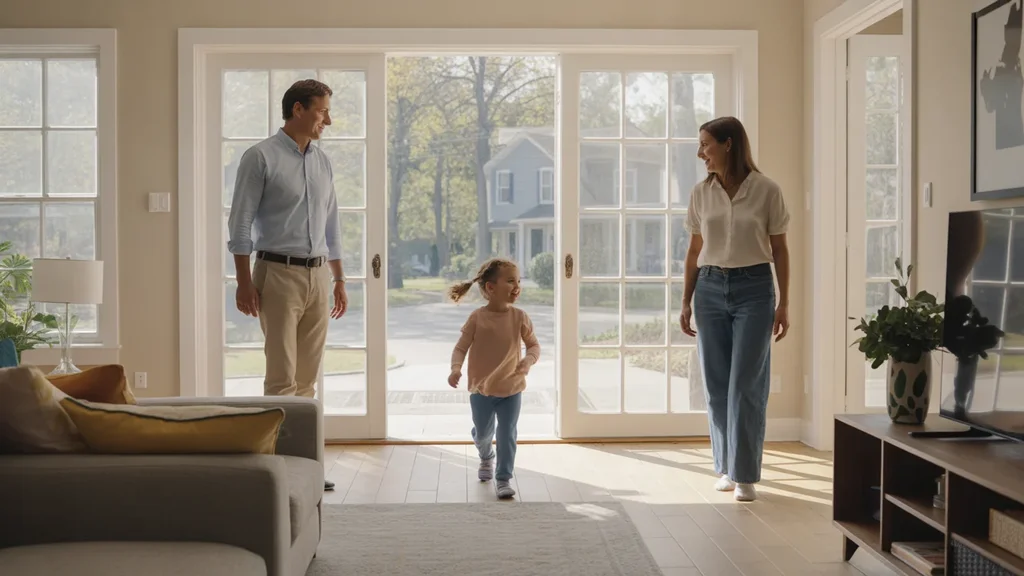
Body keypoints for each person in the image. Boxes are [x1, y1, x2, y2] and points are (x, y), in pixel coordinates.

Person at [227, 79, 348, 492]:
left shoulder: (323, 161)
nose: (328, 120)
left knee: (308, 380)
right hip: (276, 273)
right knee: (282, 376)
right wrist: (244, 282)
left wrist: (339, 278)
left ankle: (306, 467)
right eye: (322, 111)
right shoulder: (259, 157)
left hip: (318, 274)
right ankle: (276, 469)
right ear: (298, 110)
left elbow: (332, 225)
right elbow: (240, 223)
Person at [679, 116, 790, 502]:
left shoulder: (766, 190)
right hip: (708, 287)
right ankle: (725, 466)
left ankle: (745, 475)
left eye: (706, 145)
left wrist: (785, 302)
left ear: (728, 144)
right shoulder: (700, 193)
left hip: (755, 288)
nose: (701, 153)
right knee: (716, 383)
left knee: (746, 383)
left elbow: (779, 249)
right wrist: (685, 301)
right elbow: (694, 251)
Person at [446, 258, 541, 499]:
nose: (517, 285)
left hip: (511, 388)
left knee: (507, 432)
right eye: (510, 281)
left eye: (518, 281)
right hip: (481, 391)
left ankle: (503, 478)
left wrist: (528, 361)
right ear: (491, 288)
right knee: (483, 433)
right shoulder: (477, 318)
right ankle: (486, 455)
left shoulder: (520, 317)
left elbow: (533, 346)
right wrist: (456, 369)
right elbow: (460, 348)